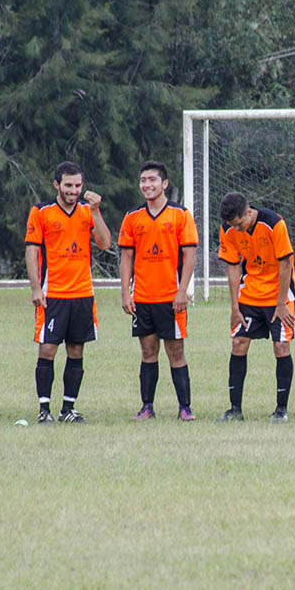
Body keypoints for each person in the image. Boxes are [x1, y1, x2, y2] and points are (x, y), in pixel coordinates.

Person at [25, 161, 112, 423]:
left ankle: (68, 410)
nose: (73, 190)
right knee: (48, 350)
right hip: (54, 295)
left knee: (76, 351)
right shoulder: (41, 212)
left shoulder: (88, 211)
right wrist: (36, 287)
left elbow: (105, 243)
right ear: (57, 185)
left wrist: (96, 211)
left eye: (77, 185)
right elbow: (31, 250)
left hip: (83, 294)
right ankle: (44, 410)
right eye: (68, 185)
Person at [118, 161, 198, 421]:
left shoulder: (180, 215)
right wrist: (125, 293)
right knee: (148, 352)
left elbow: (190, 256)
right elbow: (127, 257)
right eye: (143, 180)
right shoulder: (133, 217)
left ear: (164, 184)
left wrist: (182, 291)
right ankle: (147, 407)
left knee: (176, 352)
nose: (147, 185)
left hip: (170, 298)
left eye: (152, 180)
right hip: (142, 298)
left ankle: (185, 408)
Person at [216, 191, 295, 422]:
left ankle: (281, 410)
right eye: (233, 225)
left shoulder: (273, 223)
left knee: (281, 347)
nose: (237, 229)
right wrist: (234, 307)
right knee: (239, 343)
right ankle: (235, 410)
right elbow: (233, 267)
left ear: (248, 212)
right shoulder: (227, 229)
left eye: (239, 223)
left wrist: (281, 305)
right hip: (250, 294)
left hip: (279, 295)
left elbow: (285, 265)